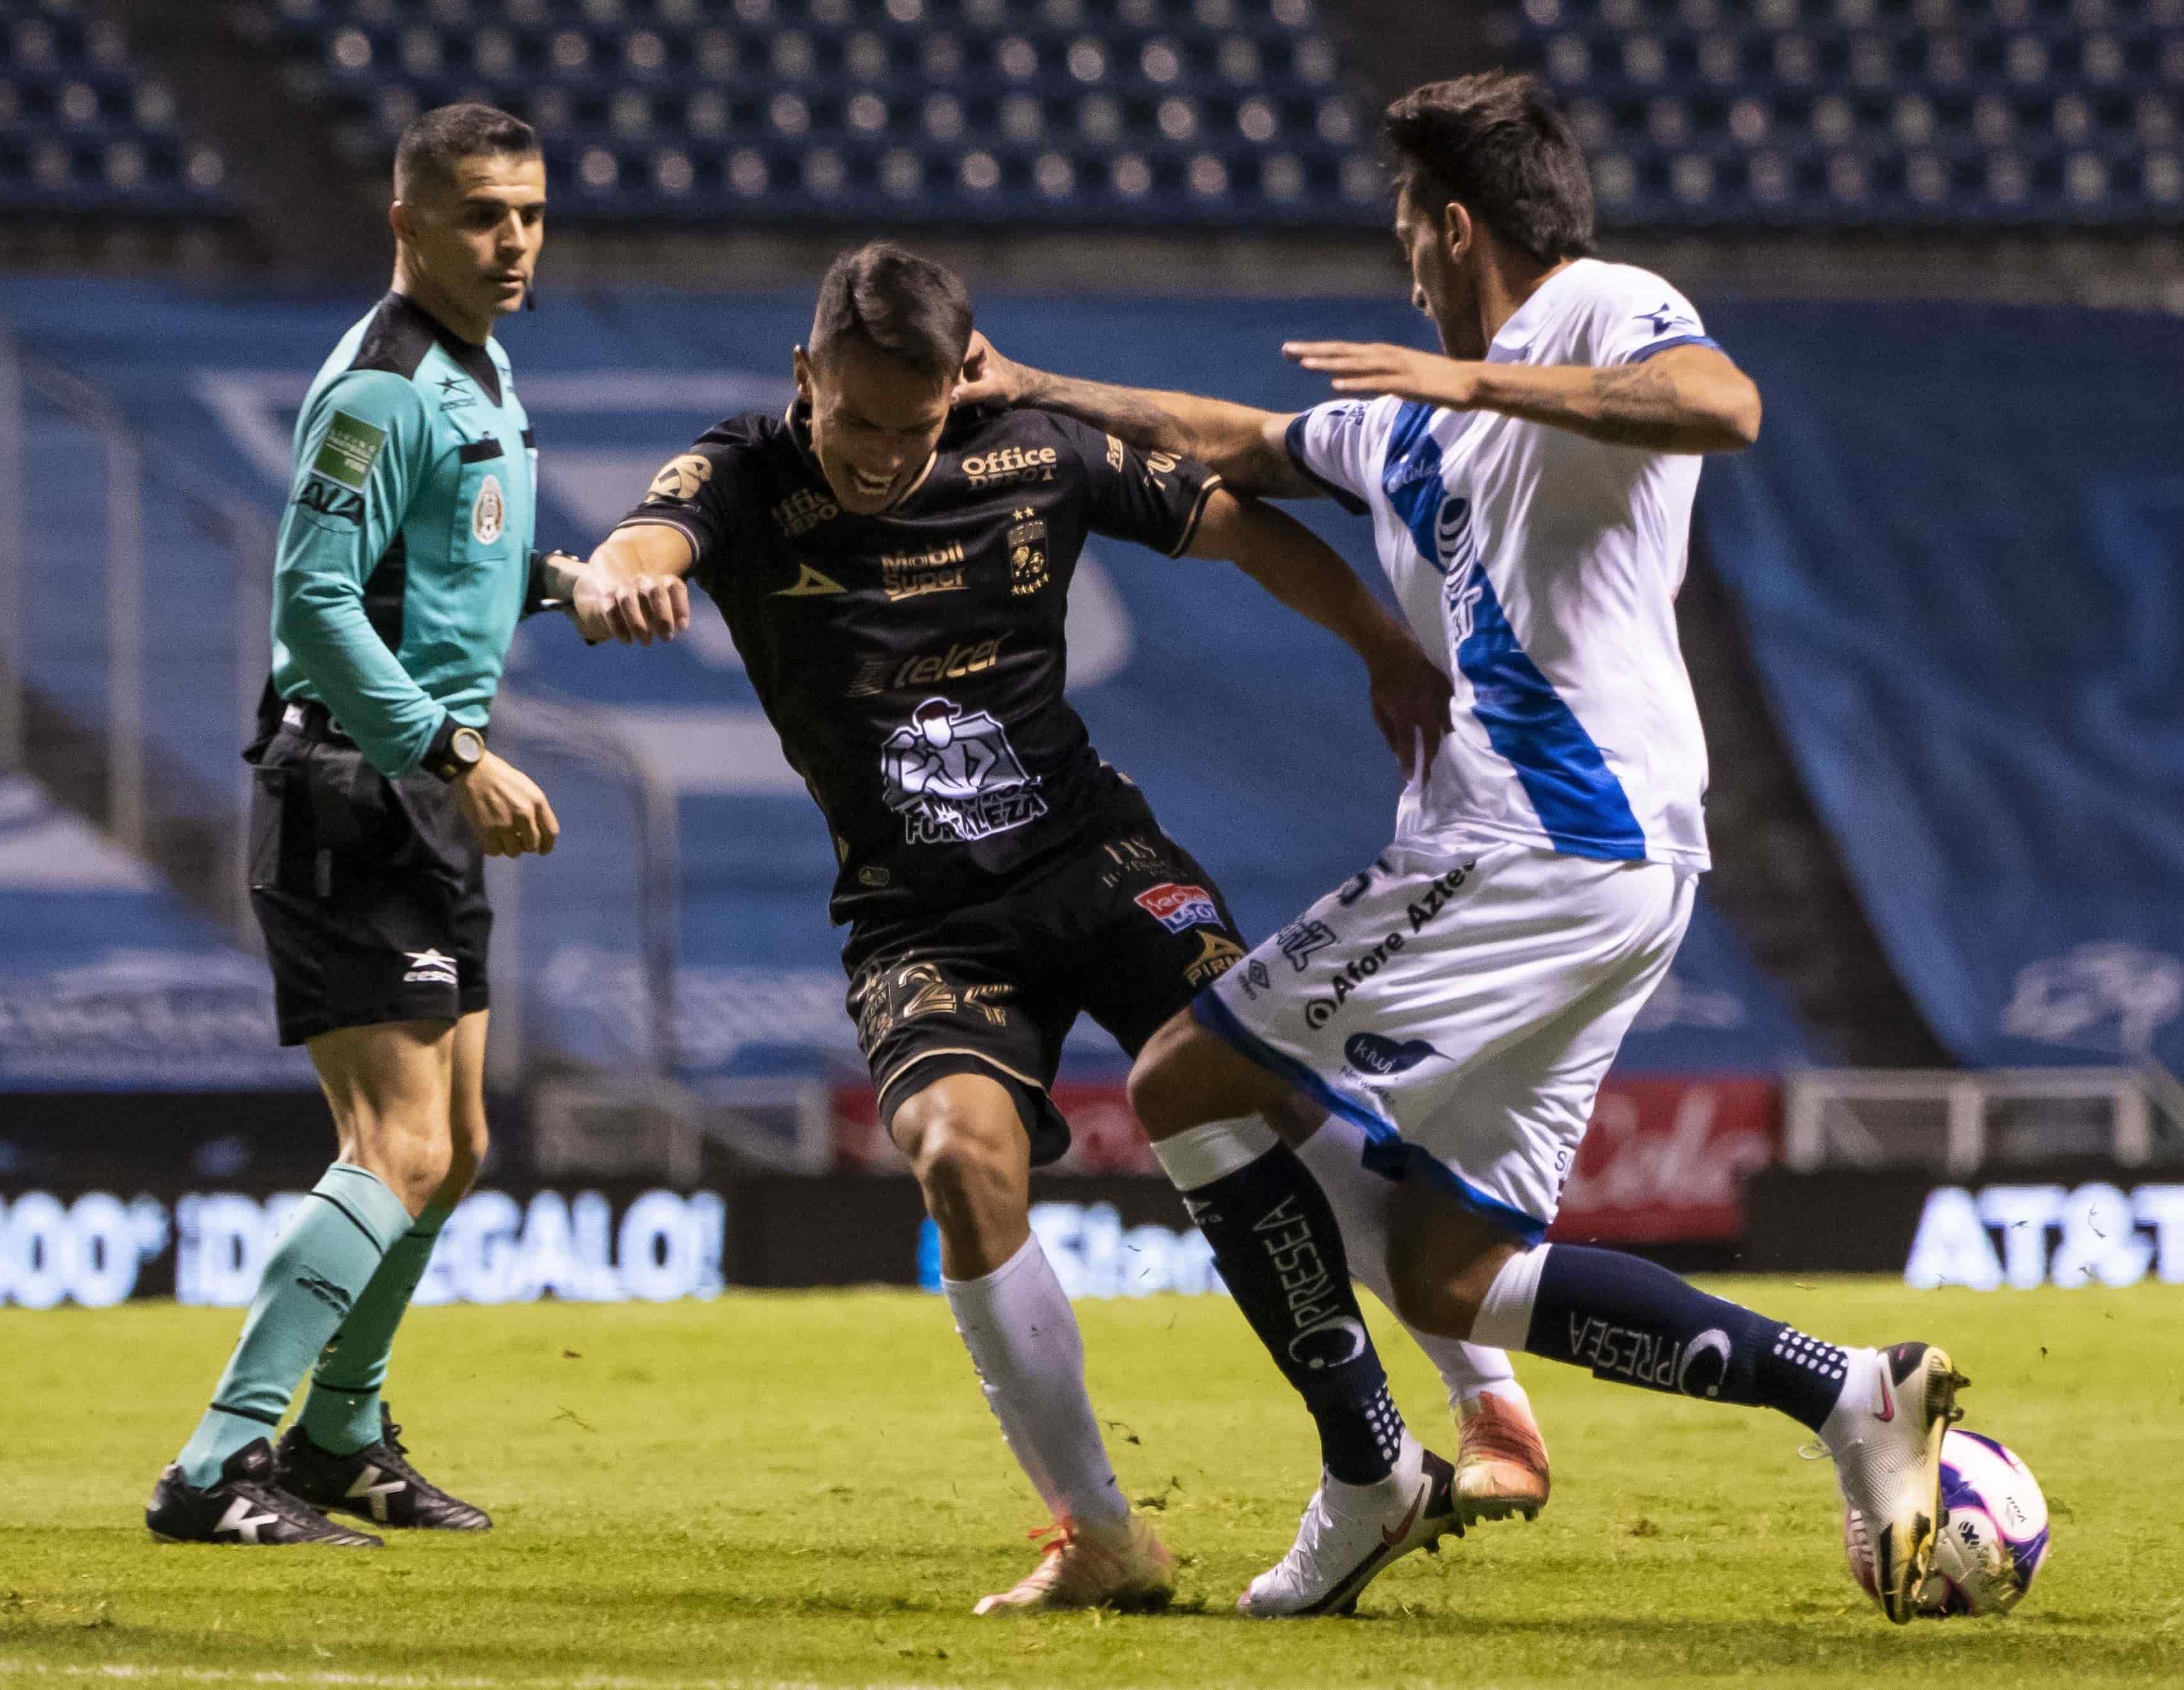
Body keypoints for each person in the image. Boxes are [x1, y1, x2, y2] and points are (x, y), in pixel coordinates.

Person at [956, 69, 1969, 1623]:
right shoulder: (1403, 423)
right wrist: (1033, 384)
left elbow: (1725, 405)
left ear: (1446, 224)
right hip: (1606, 869)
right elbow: (1240, 441)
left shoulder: (1592, 307)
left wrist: (1483, 385)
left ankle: (1364, 1476)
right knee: (1443, 1268)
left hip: (1544, 837)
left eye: (1402, 226)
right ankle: (1849, 1395)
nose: (1399, 260)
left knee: (1183, 1080)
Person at [568, 241, 1546, 1612]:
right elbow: (647, 535)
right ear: (804, 379)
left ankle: (1480, 1391)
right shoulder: (742, 472)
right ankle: (1099, 1534)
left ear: (956, 388)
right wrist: (625, 575)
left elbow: (1239, 524)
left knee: (1271, 1093)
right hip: (923, 921)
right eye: (852, 422)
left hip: (1100, 861)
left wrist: (1384, 649)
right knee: (957, 1163)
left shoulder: (1032, 450)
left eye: (911, 429)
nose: (880, 457)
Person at [145, 104, 639, 1545]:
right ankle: (216, 1463)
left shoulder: (480, 368)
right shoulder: (380, 387)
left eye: (531, 213)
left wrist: (567, 584)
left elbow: (438, 572)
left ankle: (337, 1435)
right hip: (352, 786)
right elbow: (311, 598)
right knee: (397, 1145)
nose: (515, 241)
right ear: (408, 225)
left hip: (416, 787)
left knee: (459, 1141)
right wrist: (448, 747)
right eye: (485, 215)